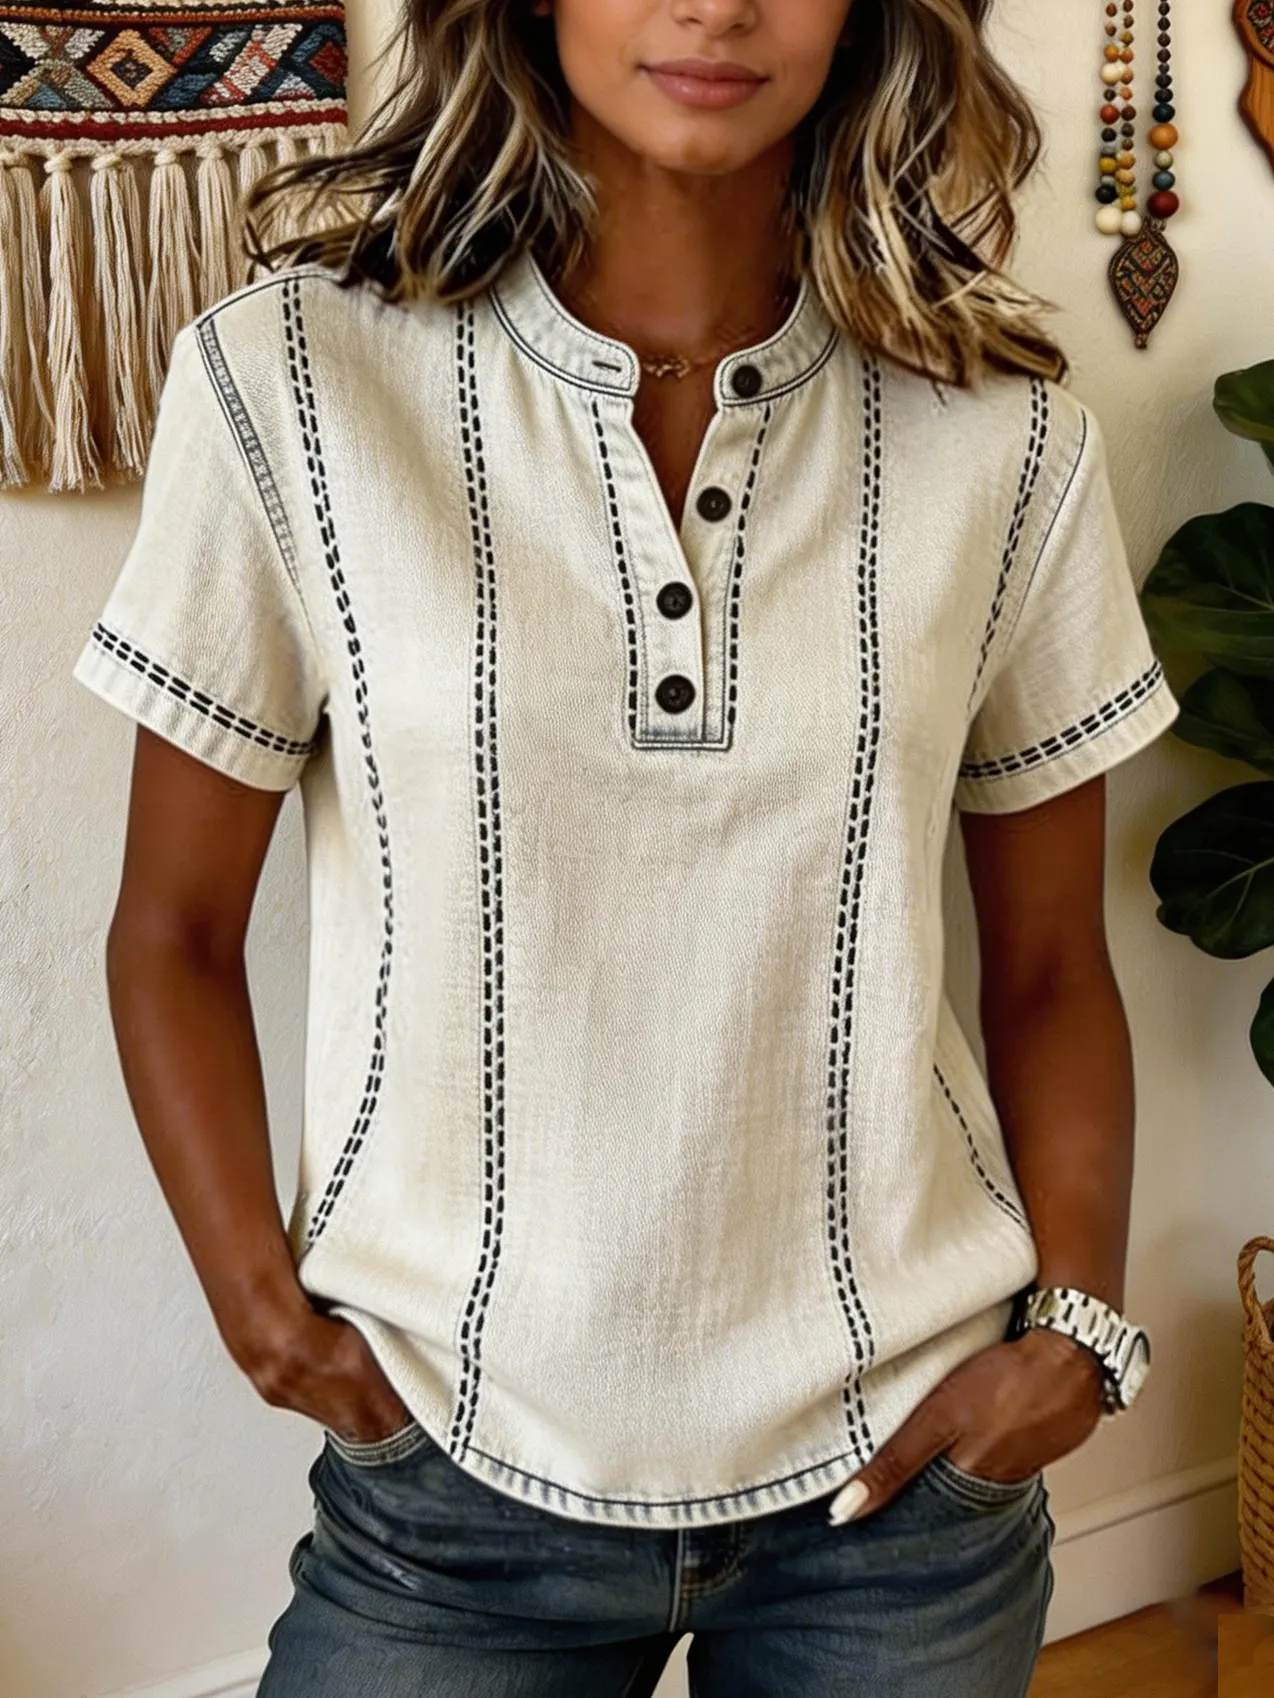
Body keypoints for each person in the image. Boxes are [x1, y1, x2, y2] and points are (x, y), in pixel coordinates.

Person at [73, 1, 1180, 1693]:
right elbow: (169, 928)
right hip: (448, 1483)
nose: (715, 7)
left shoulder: (1004, 433)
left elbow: (1045, 966)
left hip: (905, 1489)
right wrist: (264, 1316)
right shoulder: (293, 378)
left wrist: (1075, 1335)